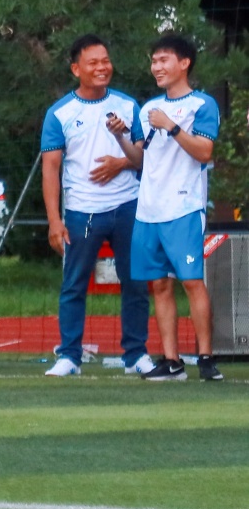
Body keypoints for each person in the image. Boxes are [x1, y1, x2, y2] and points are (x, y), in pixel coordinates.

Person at [36, 34, 152, 377]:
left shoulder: (128, 106)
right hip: (82, 211)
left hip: (128, 205)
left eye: (106, 61)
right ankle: (69, 356)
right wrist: (54, 220)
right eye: (93, 62)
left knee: (136, 281)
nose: (102, 67)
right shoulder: (59, 113)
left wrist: (121, 162)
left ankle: (136, 355)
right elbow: (51, 169)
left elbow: (143, 158)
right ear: (76, 69)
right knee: (74, 283)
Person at [114, 35, 222, 382]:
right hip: (148, 210)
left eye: (163, 60)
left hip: (184, 207)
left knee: (191, 282)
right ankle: (172, 361)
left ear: (184, 63)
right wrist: (120, 137)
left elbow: (204, 152)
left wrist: (172, 126)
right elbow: (139, 159)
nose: (156, 67)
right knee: (159, 285)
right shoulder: (147, 109)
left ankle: (206, 358)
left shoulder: (202, 104)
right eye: (154, 61)